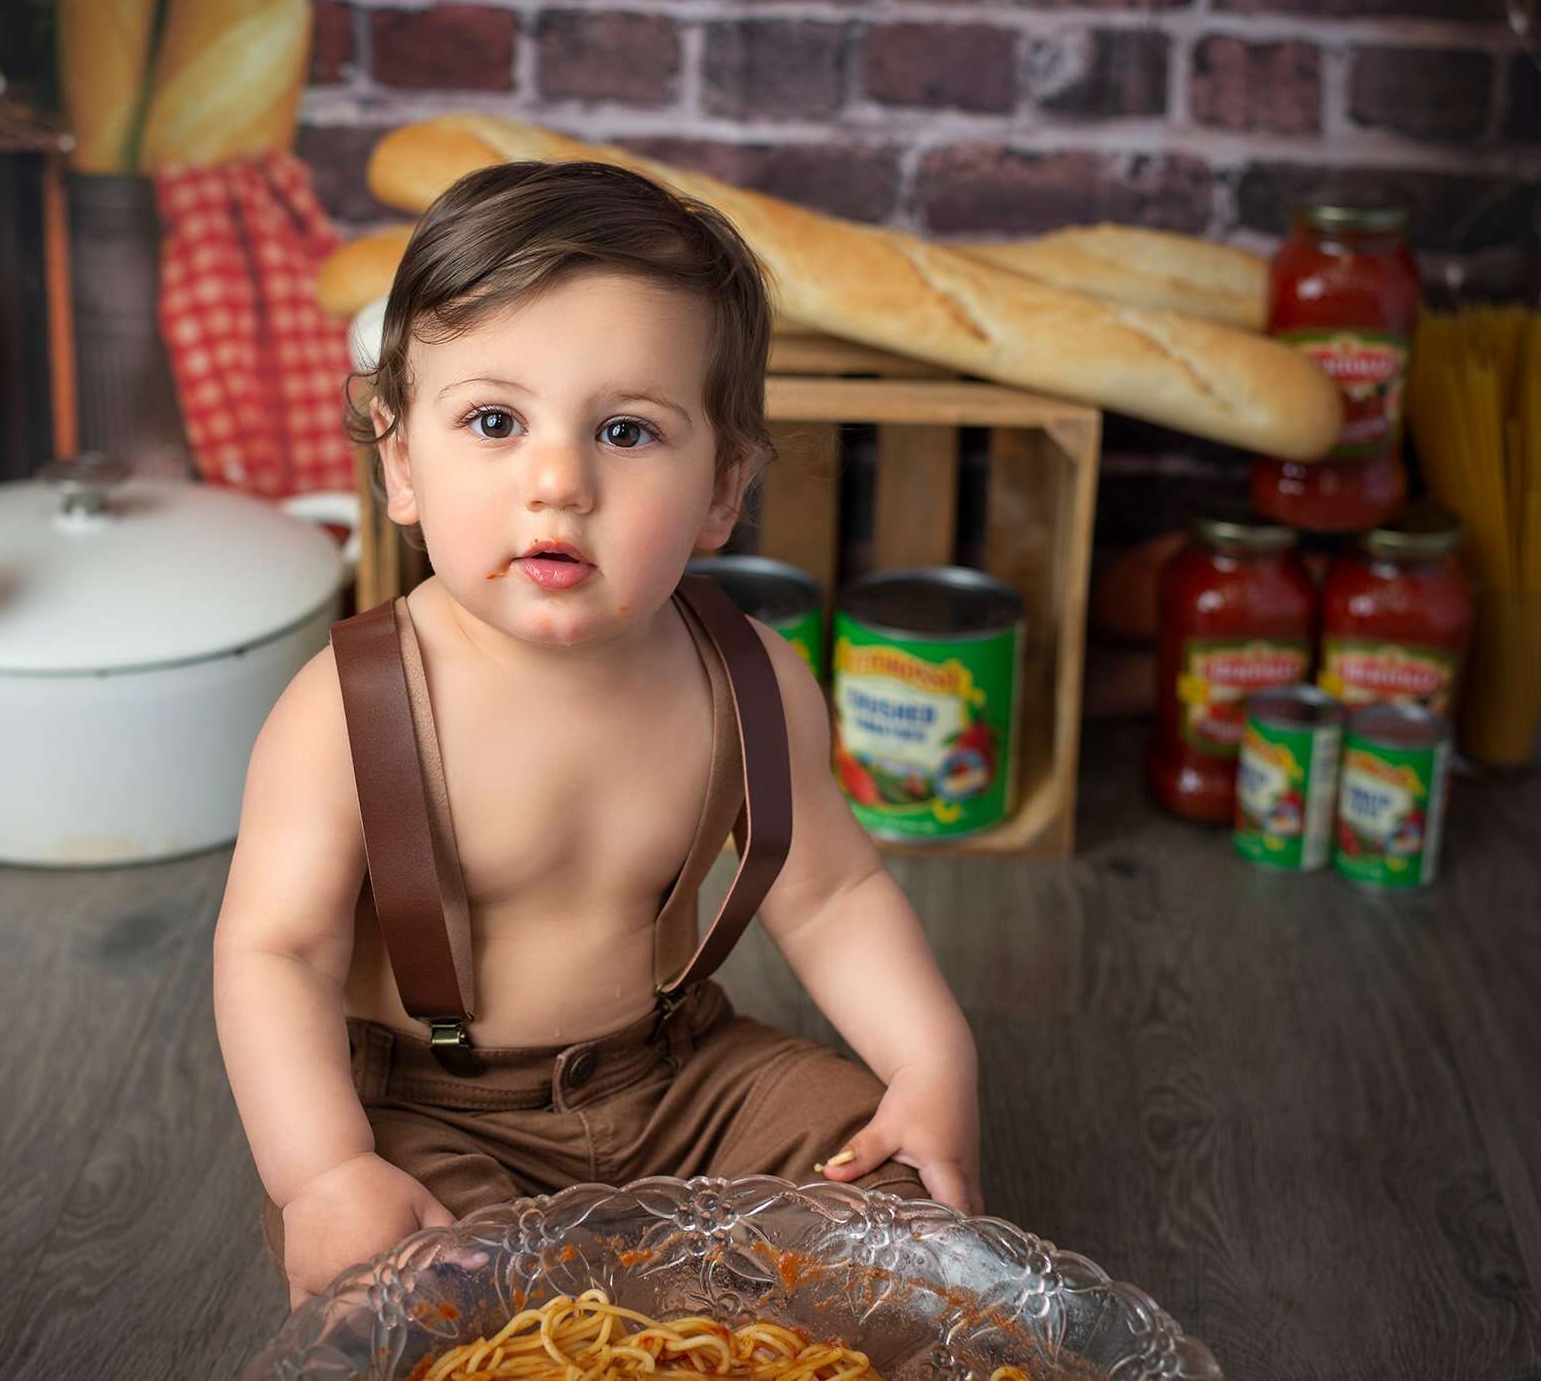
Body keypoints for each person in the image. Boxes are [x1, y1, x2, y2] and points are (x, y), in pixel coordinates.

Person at [213, 159, 980, 1308]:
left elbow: (830, 898)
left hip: (680, 1076)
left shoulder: (747, 682)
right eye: (492, 420)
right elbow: (276, 952)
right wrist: (323, 1170)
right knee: (414, 1281)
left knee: (888, 1190)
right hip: (429, 1106)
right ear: (401, 459)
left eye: (625, 430)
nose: (557, 480)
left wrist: (930, 1064)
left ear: (723, 486)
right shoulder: (346, 709)